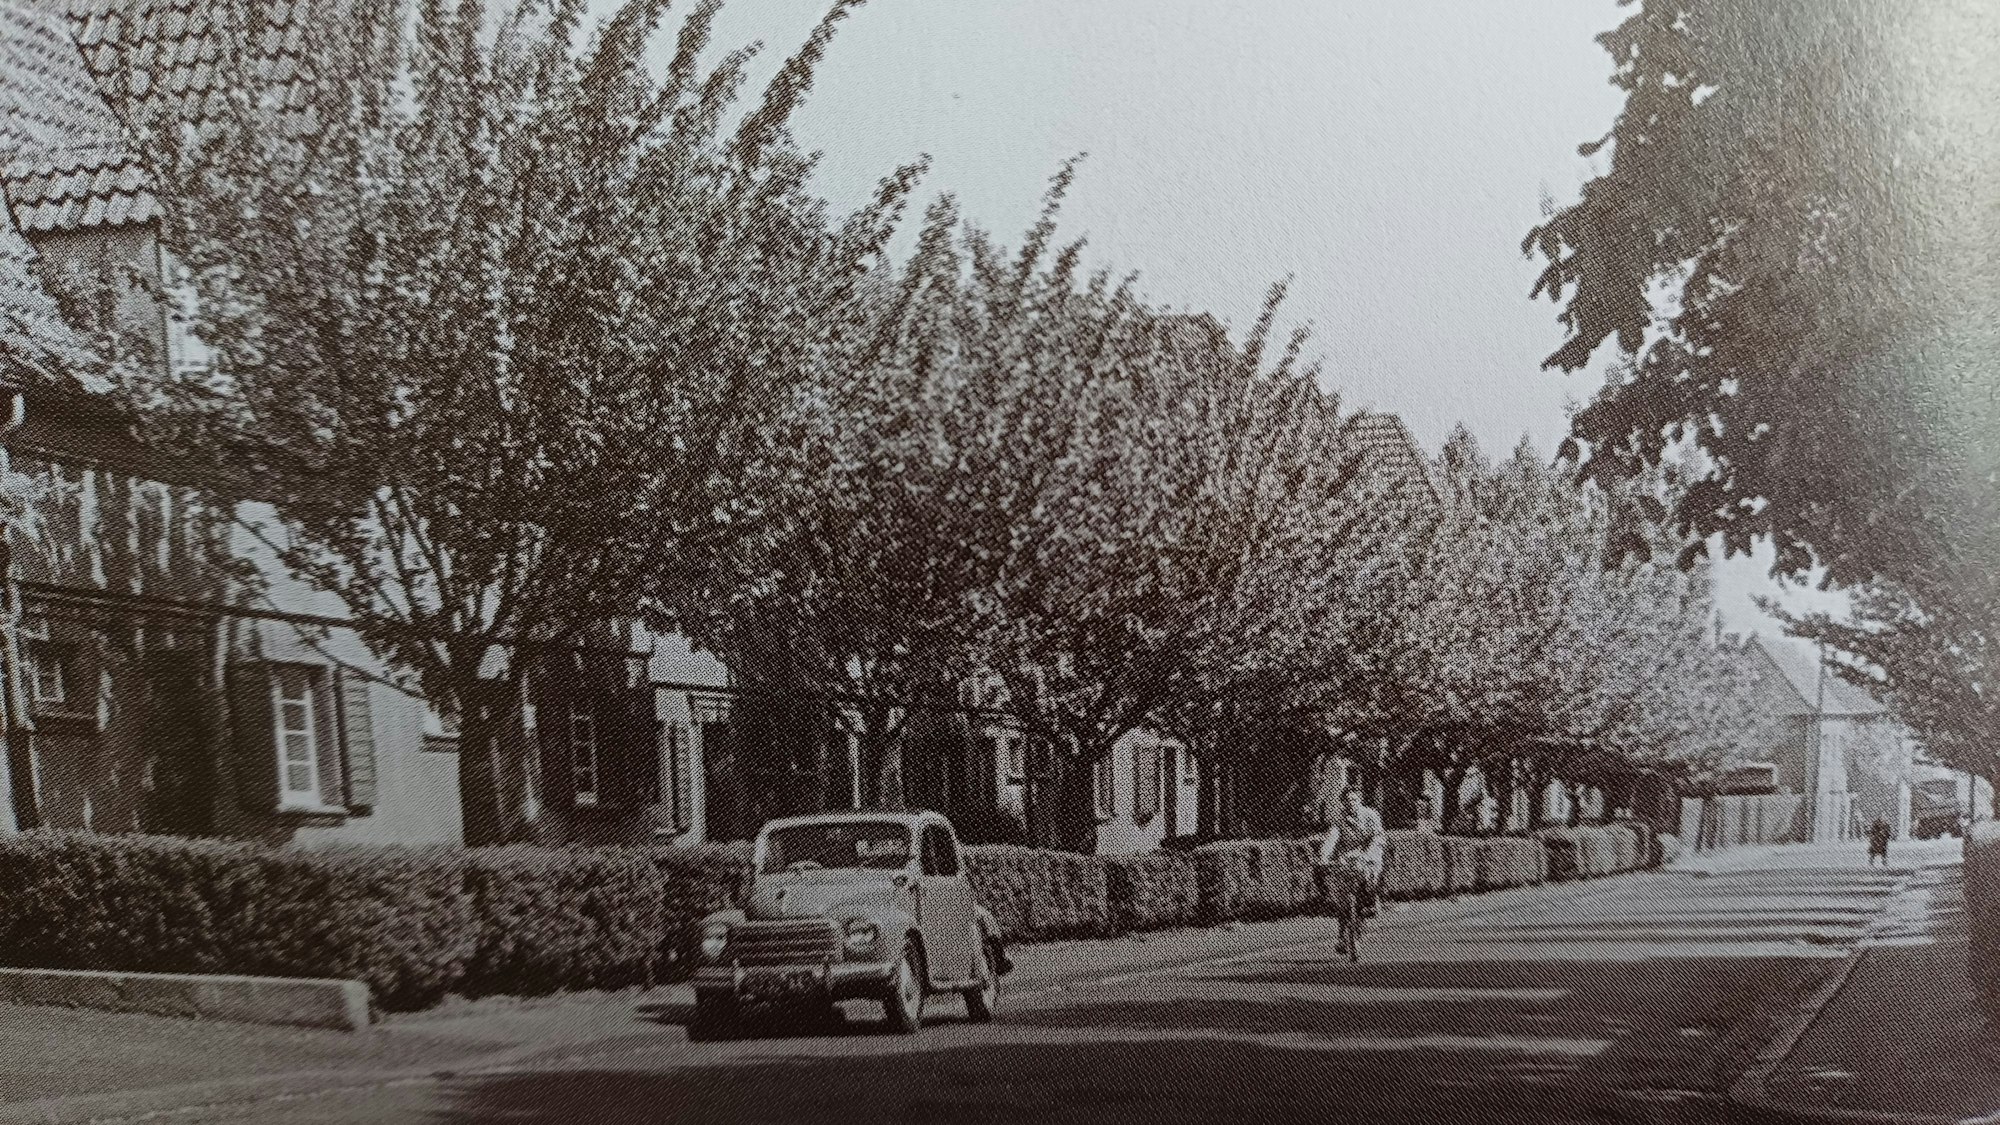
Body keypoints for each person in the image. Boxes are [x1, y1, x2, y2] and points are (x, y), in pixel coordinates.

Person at [1316, 787, 1386, 954]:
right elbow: (1332, 838)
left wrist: (1368, 854)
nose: (1351, 803)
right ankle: (1341, 935)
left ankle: (1373, 901)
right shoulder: (1339, 820)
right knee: (1341, 897)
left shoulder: (1371, 815)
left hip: (1369, 854)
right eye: (1347, 801)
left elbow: (1377, 836)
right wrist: (1324, 855)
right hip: (1347, 858)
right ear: (1343, 803)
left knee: (1371, 877)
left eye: (1354, 800)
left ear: (1359, 800)